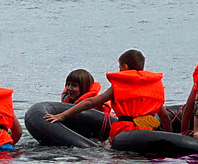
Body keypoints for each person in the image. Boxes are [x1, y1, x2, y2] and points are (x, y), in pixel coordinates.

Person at [44, 49, 172, 141]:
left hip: (124, 134)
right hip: (147, 131)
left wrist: (62, 115)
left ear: (124, 67)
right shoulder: (154, 86)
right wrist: (170, 137)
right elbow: (164, 117)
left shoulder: (119, 86)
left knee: (107, 146)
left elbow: (90, 102)